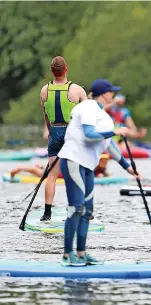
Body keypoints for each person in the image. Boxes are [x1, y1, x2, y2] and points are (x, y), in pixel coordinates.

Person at [57, 79, 137, 266]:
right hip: (72, 160)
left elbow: (109, 147)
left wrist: (128, 167)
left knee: (87, 212)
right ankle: (67, 255)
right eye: (112, 92)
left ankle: (82, 254)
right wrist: (116, 131)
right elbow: (89, 134)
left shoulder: (104, 116)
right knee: (76, 208)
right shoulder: (87, 107)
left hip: (87, 165)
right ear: (104, 93)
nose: (114, 96)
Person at [40, 56, 87, 222]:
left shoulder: (44, 90)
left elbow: (46, 116)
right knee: (76, 173)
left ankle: (47, 213)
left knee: (52, 176)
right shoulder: (77, 90)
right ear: (66, 69)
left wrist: (51, 131)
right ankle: (78, 209)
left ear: (52, 72)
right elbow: (86, 117)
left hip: (54, 132)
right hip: (71, 133)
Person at [9, 155, 111, 178]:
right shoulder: (92, 166)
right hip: (61, 173)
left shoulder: (100, 169)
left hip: (63, 171)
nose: (105, 163)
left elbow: (106, 175)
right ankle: (20, 168)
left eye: (106, 162)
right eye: (103, 161)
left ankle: (38, 166)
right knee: (41, 174)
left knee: (45, 170)